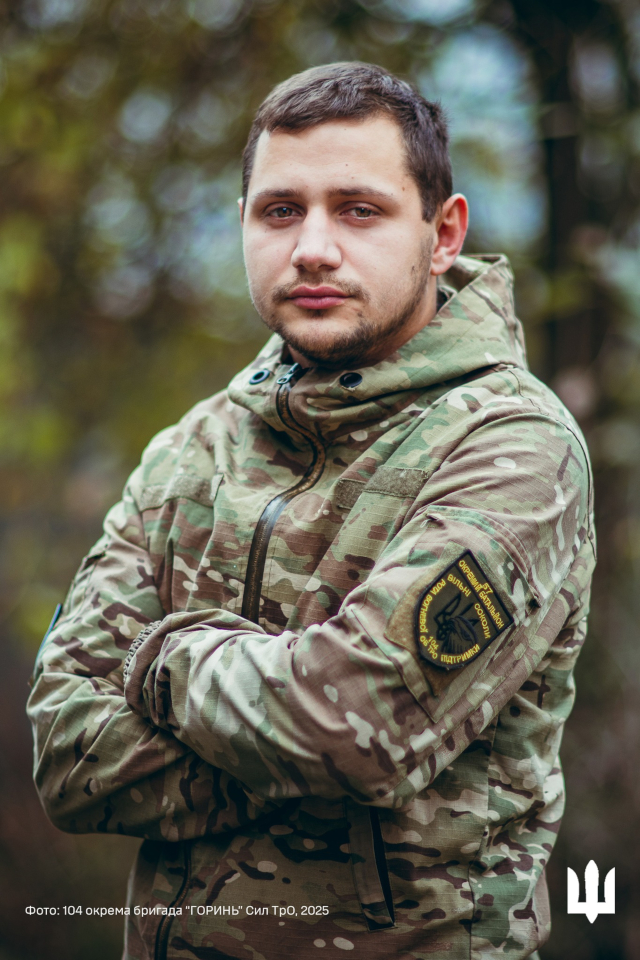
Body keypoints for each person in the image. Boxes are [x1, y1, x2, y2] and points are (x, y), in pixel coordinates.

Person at [28, 62, 595, 960]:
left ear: (443, 234)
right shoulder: (195, 448)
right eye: (281, 211)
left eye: (359, 210)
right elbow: (65, 755)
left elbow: (349, 734)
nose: (314, 248)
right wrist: (284, 734)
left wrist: (160, 660)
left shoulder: (513, 447)